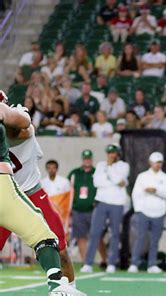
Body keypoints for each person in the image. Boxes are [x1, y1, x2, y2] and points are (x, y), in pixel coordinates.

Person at [0, 96, 84, 295]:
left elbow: (22, 129)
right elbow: (21, 120)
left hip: (31, 191)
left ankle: (68, 288)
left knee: (60, 247)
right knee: (45, 238)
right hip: (7, 193)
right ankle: (57, 286)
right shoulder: (12, 117)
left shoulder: (19, 128)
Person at [81, 144, 130, 274]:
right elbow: (97, 182)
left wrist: (109, 171)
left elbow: (119, 179)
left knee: (114, 234)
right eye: (109, 153)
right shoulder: (101, 165)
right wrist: (114, 180)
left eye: (113, 153)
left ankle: (111, 263)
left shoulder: (124, 166)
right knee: (94, 233)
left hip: (117, 203)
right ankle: (88, 263)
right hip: (101, 202)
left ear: (117, 154)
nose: (110, 155)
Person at [128, 152, 166, 274]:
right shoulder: (142, 176)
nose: (158, 165)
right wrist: (139, 210)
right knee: (140, 238)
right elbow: (135, 194)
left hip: (159, 213)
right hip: (144, 212)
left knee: (155, 240)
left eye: (160, 162)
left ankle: (152, 264)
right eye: (156, 162)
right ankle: (134, 263)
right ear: (150, 163)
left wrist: (155, 190)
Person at [68, 150, 106, 266]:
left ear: (92, 159)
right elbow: (69, 191)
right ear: (82, 159)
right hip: (77, 210)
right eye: (85, 158)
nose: (87, 160)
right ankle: (86, 262)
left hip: (93, 210)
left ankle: (106, 259)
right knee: (81, 237)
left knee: (97, 236)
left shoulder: (97, 173)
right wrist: (69, 209)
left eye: (89, 158)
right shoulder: (74, 173)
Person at [41, 160, 72, 231]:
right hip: (48, 213)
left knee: (62, 232)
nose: (51, 170)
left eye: (53, 168)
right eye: (49, 168)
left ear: (57, 169)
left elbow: (68, 199)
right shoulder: (42, 183)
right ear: (46, 169)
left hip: (61, 213)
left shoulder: (64, 182)